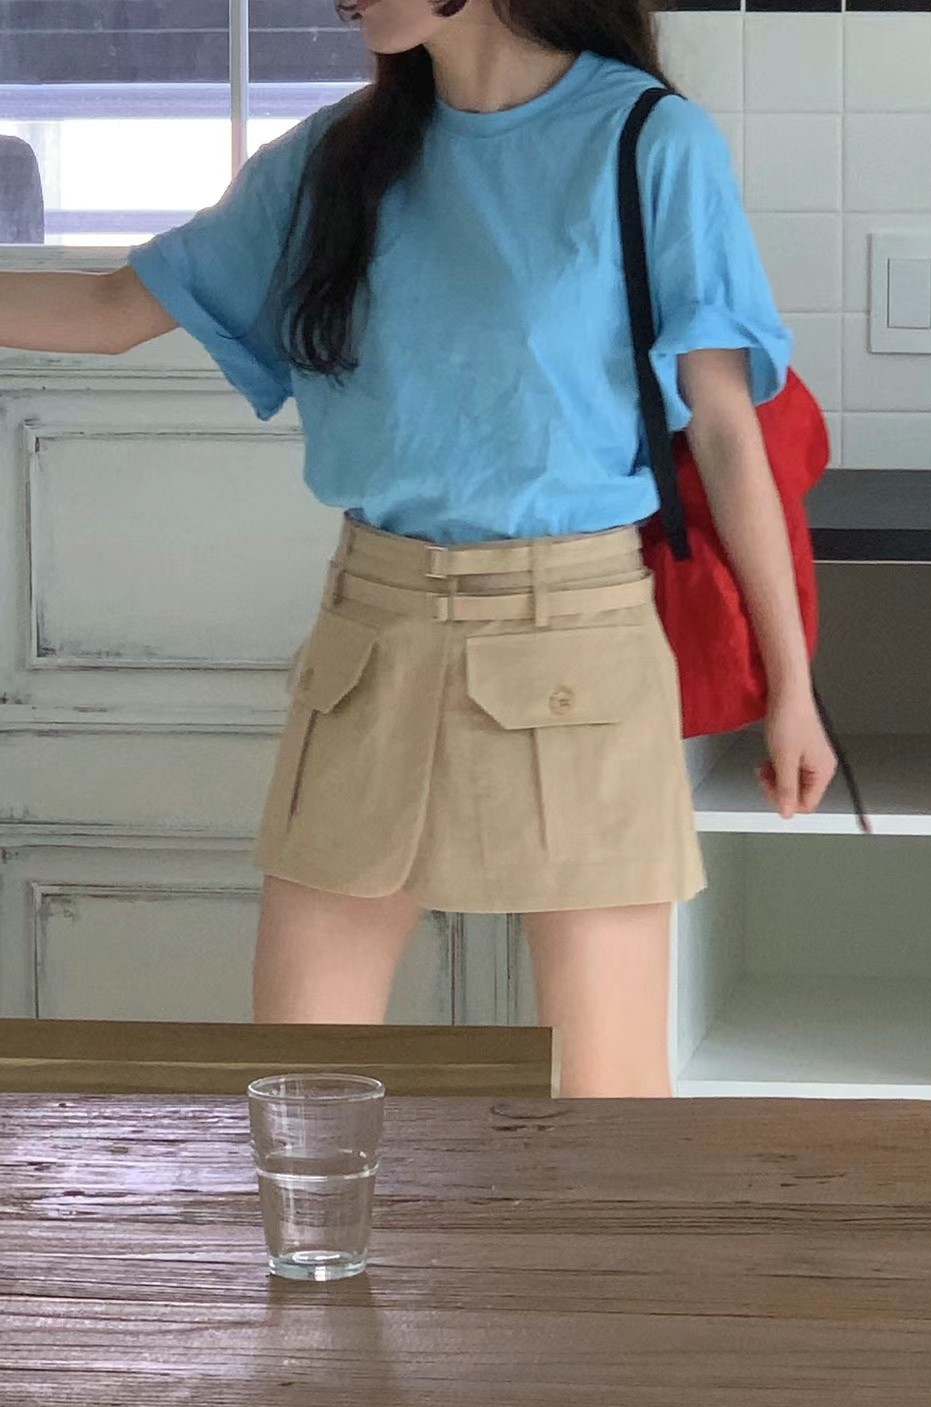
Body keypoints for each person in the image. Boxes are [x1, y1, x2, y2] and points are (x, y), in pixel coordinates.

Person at [0, 0, 837, 1098]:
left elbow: (725, 431)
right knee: (299, 1090)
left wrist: (792, 689)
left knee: (610, 1105)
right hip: (374, 638)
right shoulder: (336, 157)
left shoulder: (649, 141)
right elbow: (115, 307)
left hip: (575, 642)